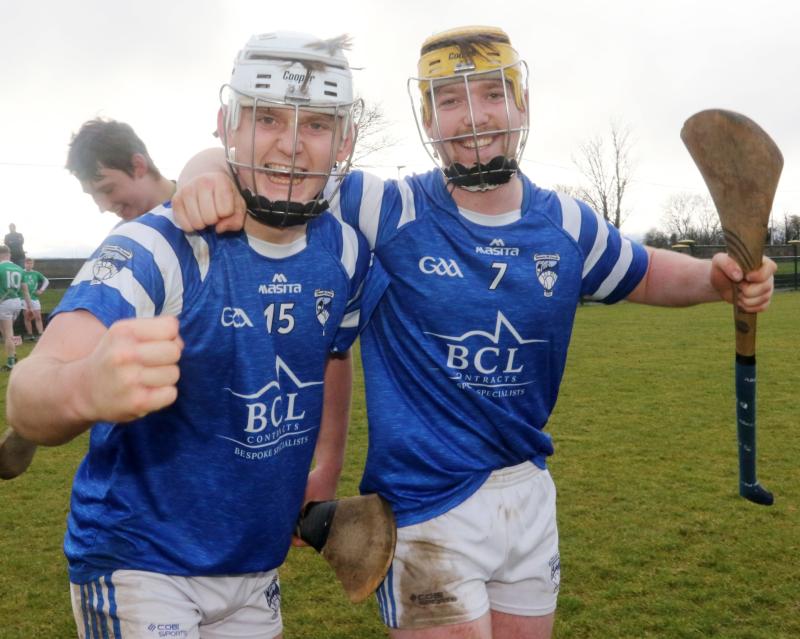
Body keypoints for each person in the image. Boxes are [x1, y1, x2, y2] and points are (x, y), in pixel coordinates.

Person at [172, 26, 776, 639]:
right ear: (429, 120)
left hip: (528, 492)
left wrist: (718, 279)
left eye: (491, 93)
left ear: (522, 104)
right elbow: (272, 162)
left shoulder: (565, 222)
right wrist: (202, 169)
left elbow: (644, 273)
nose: (474, 116)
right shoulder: (386, 210)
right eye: (450, 101)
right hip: (424, 505)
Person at [6, 31, 369, 638]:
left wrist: (325, 466)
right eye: (268, 118)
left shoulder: (347, 248)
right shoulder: (159, 244)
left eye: (316, 125)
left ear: (345, 140)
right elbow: (29, 389)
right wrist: (83, 389)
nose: (291, 144)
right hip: (142, 564)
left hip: (254, 564)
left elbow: (332, 353)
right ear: (227, 126)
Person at [0, 118, 178, 481]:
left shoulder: (204, 197)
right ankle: (37, 422)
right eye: (93, 195)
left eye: (107, 188)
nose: (103, 205)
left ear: (139, 165)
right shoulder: (125, 237)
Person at [66, 118, 177, 221]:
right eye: (93, 195)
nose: (104, 207)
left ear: (138, 165)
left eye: (108, 190)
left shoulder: (192, 210)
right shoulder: (130, 234)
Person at [0, 245, 32, 370]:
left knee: (7, 333)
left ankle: (11, 362)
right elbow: (25, 291)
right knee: (7, 331)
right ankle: (13, 354)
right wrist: (29, 307)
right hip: (17, 303)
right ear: (9, 254)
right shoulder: (19, 269)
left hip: (5, 303)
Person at [21, 258, 49, 340]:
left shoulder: (36, 273)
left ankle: (41, 334)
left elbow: (46, 281)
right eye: (27, 263)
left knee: (38, 317)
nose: (29, 265)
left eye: (30, 263)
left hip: (34, 297)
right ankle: (30, 335)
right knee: (27, 317)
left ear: (33, 264)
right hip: (24, 298)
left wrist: (41, 290)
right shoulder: (21, 272)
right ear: (24, 264)